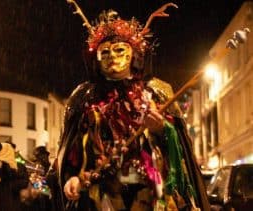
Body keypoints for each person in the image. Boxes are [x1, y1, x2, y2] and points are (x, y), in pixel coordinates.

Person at [53, 2, 210, 211]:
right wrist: (71, 177)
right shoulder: (83, 97)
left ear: (133, 54)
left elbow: (179, 152)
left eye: (119, 50)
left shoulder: (157, 91)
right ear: (96, 59)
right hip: (100, 193)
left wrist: (162, 129)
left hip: (152, 192)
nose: (112, 58)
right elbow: (71, 150)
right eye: (105, 53)